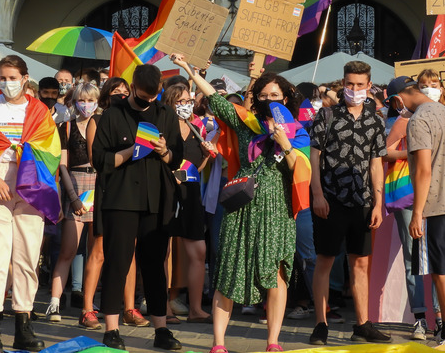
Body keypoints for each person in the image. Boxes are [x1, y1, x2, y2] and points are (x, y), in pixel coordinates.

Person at [173, 55, 311, 353]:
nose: (269, 100)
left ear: (286, 98)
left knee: (276, 273)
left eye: (275, 95)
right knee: (229, 268)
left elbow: (299, 170)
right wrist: (189, 71)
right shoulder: (247, 122)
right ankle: (218, 343)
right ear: (256, 99)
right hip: (242, 204)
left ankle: (273, 341)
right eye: (263, 95)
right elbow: (216, 99)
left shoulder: (298, 131)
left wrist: (284, 142)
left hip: (278, 208)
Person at [0, 55, 61, 351]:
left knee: (26, 258)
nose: (8, 83)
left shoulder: (38, 111)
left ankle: (24, 325)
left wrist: (30, 178)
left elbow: (51, 150)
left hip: (29, 188)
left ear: (25, 78)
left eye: (12, 77)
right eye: (3, 78)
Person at [92, 64, 183, 351]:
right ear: (132, 89)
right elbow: (100, 160)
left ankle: (161, 329)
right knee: (118, 262)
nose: (149, 102)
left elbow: (177, 159)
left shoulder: (166, 114)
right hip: (121, 199)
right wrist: (130, 152)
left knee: (155, 265)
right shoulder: (113, 115)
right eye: (144, 97)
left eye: (154, 96)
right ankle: (111, 328)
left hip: (156, 200)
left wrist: (164, 151)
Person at [308, 61, 390, 346]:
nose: (354, 89)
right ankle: (321, 323)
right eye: (349, 84)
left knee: (360, 264)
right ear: (343, 83)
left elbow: (376, 162)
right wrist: (317, 194)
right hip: (330, 200)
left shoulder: (376, 120)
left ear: (369, 86)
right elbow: (314, 156)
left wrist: (379, 203)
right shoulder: (327, 115)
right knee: (325, 260)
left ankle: (363, 324)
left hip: (363, 201)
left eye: (359, 84)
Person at [393, 76, 445, 344]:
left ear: (398, 99)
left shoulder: (418, 119)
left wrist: (417, 212)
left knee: (442, 273)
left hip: (436, 204)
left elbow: (424, 169)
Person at [84, 77, 147, 329]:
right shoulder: (97, 121)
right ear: (106, 96)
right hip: (107, 188)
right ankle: (88, 308)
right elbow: (95, 158)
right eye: (115, 92)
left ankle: (129, 308)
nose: (121, 96)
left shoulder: (136, 122)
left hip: (130, 192)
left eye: (125, 92)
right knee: (99, 249)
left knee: (128, 251)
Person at [383, 79, 441, 341]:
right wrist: (416, 154)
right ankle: (419, 318)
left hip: (439, 194)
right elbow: (385, 152)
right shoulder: (404, 121)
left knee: (441, 258)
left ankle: (440, 318)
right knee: (413, 257)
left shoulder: (441, 117)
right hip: (409, 196)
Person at [162, 83, 217, 323]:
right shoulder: (163, 127)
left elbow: (198, 166)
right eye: (180, 102)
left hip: (191, 193)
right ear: (170, 102)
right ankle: (162, 307)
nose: (185, 106)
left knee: (199, 251)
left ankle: (195, 309)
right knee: (161, 252)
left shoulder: (197, 128)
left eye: (187, 101)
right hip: (166, 192)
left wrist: (206, 155)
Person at [46, 83, 101, 324]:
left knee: (95, 251)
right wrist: (73, 197)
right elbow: (63, 165)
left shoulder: (102, 124)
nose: (87, 104)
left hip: (100, 184)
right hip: (76, 185)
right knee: (68, 250)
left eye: (91, 99)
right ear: (75, 101)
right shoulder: (65, 127)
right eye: (83, 99)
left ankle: (88, 302)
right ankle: (55, 302)